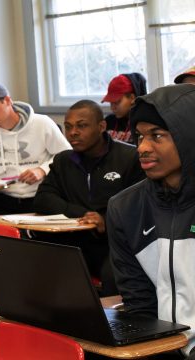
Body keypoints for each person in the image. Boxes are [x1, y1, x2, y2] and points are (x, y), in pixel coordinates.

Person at [107, 84, 195, 359]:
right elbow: (139, 303)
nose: (142, 148)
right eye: (140, 136)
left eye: (157, 136)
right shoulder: (125, 207)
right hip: (163, 347)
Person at [33, 100, 145, 295]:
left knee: (114, 274)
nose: (73, 132)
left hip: (116, 242)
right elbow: (43, 198)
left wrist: (104, 220)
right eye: (68, 127)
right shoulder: (63, 160)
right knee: (40, 264)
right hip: (76, 240)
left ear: (101, 127)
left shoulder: (129, 158)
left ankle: (118, 324)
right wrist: (83, 214)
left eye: (81, 125)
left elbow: (139, 207)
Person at [0, 82, 71, 216]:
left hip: (39, 195)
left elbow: (67, 155)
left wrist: (42, 170)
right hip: (2, 197)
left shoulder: (41, 123)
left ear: (7, 100)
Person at [101, 73, 147, 144]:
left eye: (116, 102)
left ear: (132, 98)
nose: (112, 108)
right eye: (111, 102)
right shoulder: (109, 122)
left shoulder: (145, 123)